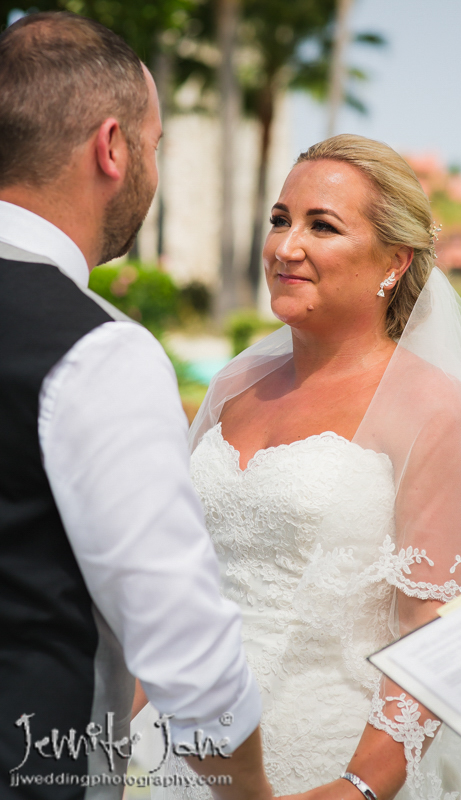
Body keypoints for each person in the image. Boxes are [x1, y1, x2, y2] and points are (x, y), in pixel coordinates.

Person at [178, 135, 461, 800]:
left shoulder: (431, 405)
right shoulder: (233, 386)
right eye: (280, 219)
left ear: (393, 262)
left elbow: (433, 626)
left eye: (322, 226)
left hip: (329, 756)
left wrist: (360, 786)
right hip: (193, 753)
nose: (286, 247)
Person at [0, 12, 271, 800]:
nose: (151, 168)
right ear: (112, 148)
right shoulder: (96, 351)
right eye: (154, 146)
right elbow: (186, 652)